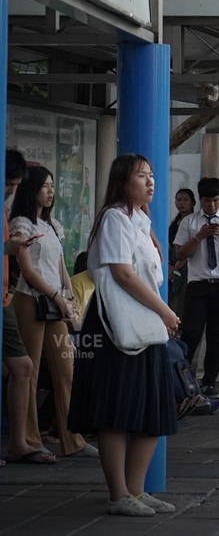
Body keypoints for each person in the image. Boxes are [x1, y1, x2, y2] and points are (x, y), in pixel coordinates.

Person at [68, 154, 180, 516]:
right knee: (117, 412)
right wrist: (165, 310)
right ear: (122, 182)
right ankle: (119, 494)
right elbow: (123, 274)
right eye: (141, 176)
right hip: (119, 326)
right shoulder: (115, 217)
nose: (150, 182)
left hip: (144, 325)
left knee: (153, 409)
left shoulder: (140, 219)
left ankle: (136, 489)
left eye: (151, 175)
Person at [10, 166, 95, 459]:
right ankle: (30, 439)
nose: (50, 192)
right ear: (30, 189)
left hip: (56, 302)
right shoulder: (21, 223)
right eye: (45, 186)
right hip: (30, 299)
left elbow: (60, 267)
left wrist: (68, 297)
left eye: (52, 186)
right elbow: (27, 270)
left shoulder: (54, 225)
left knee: (66, 367)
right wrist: (57, 297)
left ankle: (74, 439)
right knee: (29, 370)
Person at [3, 150, 47, 467]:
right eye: (8, 183)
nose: (10, 190)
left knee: (23, 366)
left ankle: (19, 442)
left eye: (16, 185)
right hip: (20, 298)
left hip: (3, 298)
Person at [172, 177, 219, 398]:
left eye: (215, 200)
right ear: (201, 200)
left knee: (217, 336)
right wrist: (199, 236)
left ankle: (209, 383)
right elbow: (180, 254)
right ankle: (182, 381)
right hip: (197, 285)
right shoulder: (189, 222)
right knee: (191, 334)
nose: (212, 205)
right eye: (207, 201)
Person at [166, 188, 194, 313]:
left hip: (187, 266)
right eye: (178, 200)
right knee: (173, 299)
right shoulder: (175, 223)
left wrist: (176, 267)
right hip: (173, 266)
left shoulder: (194, 222)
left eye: (185, 200)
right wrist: (169, 266)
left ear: (193, 202)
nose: (181, 203)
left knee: (183, 300)